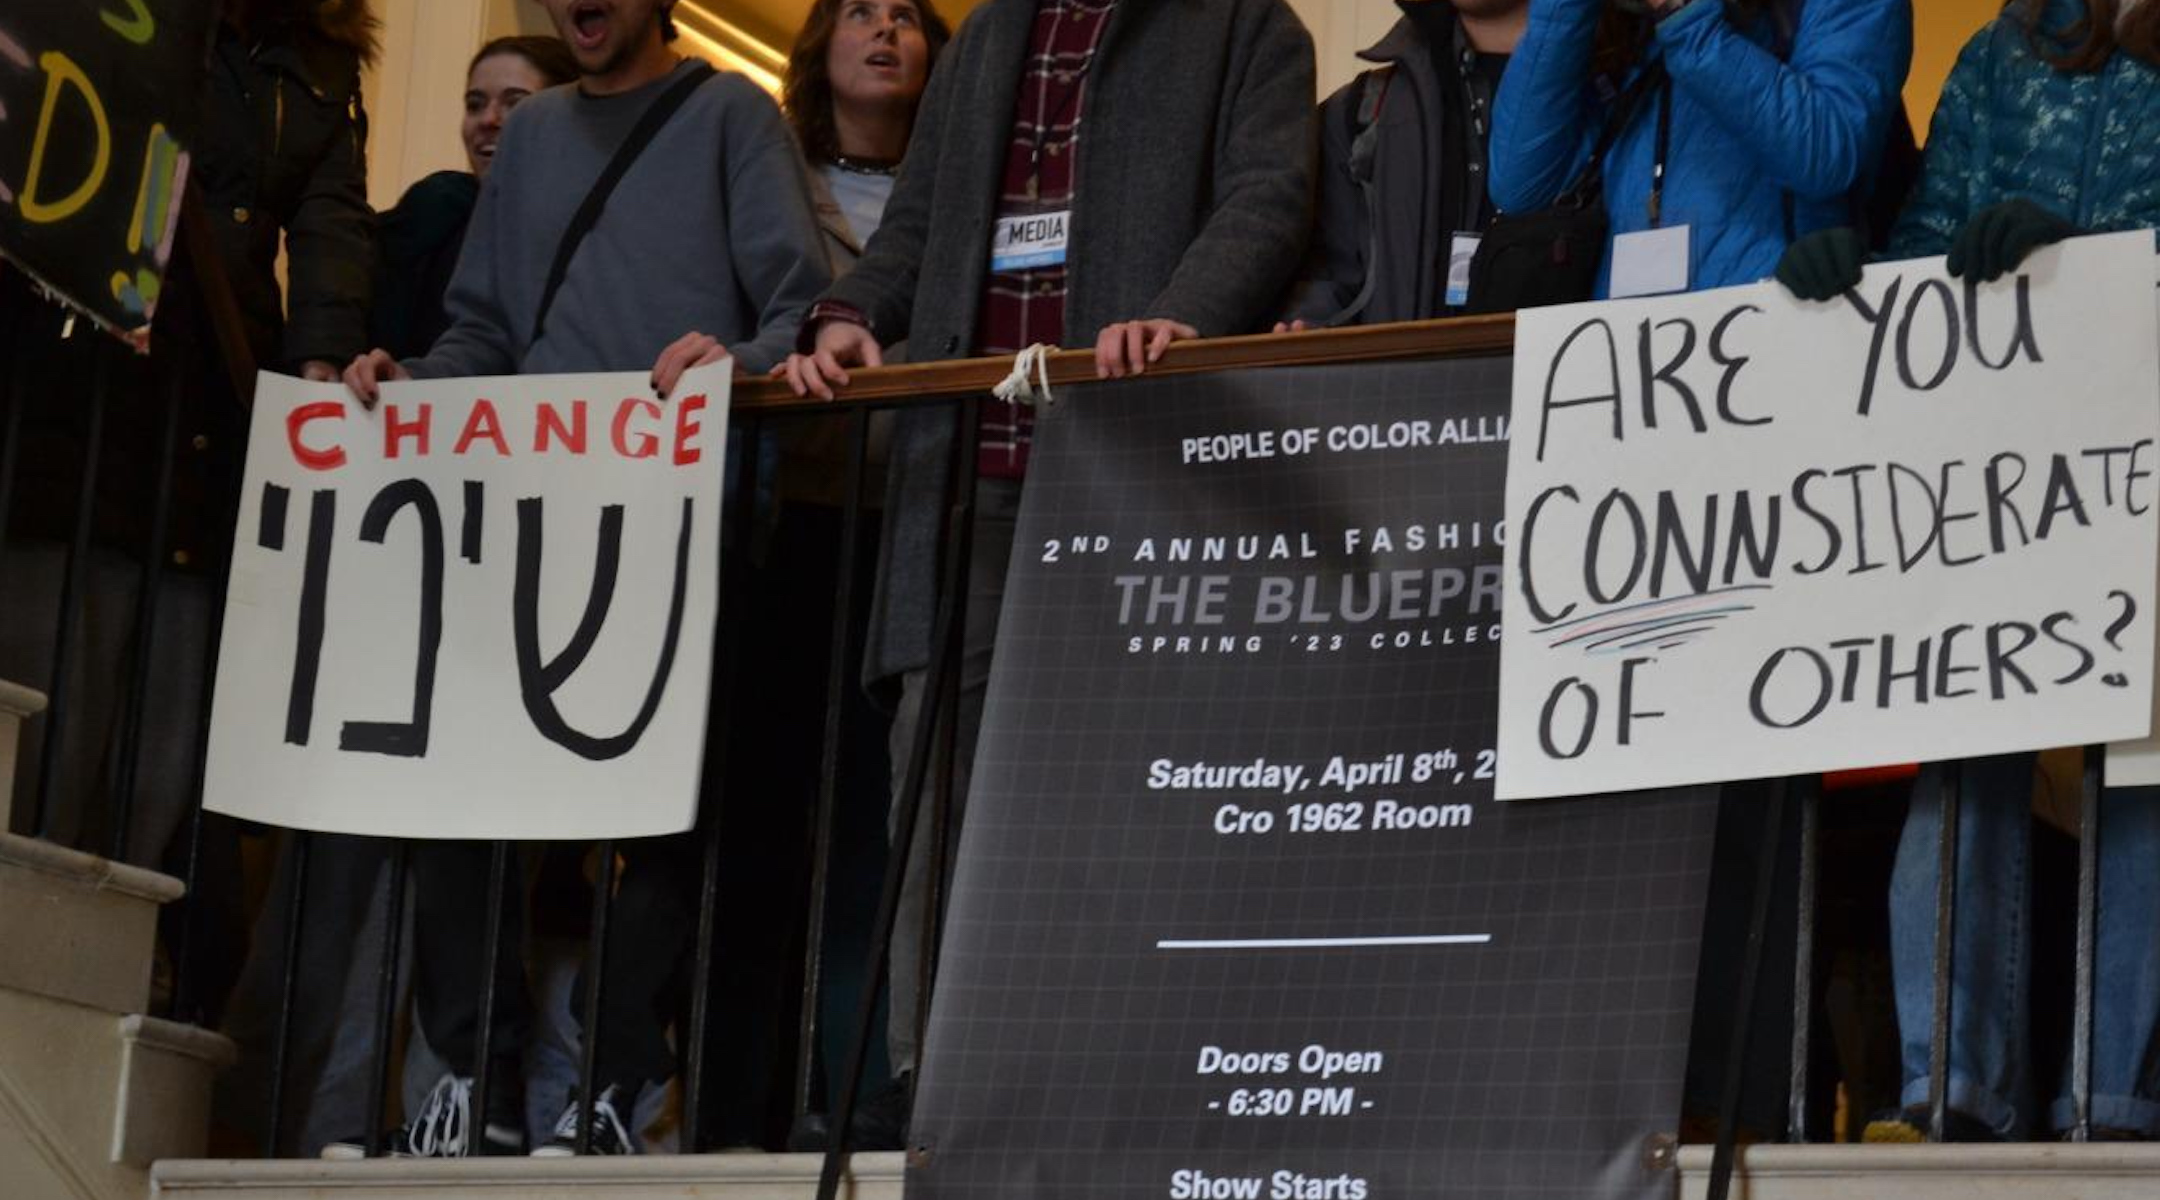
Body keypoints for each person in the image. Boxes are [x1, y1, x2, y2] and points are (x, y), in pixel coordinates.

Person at [779, 0, 1317, 1145]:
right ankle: (937, 1079)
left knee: (1137, 779)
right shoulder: (982, 41)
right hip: (965, 471)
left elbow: (1267, 200)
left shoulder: (1246, 27)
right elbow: (916, 226)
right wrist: (847, 316)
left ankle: (1130, 1072)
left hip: (1135, 470)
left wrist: (1180, 316)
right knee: (938, 772)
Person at [343, 0, 831, 1156]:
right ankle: (478, 1078)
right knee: (467, 792)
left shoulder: (730, 116)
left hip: (678, 510)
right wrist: (408, 380)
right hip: (530, 509)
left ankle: (615, 1077)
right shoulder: (542, 136)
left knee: (662, 804)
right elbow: (484, 332)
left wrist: (741, 358)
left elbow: (796, 307)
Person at [1777, 0, 2160, 1143]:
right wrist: (1850, 282)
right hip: (2007, 458)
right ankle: (1954, 1084)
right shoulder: (2002, 50)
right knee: (1965, 740)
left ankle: (2119, 1100)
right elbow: (1936, 230)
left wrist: (2093, 253)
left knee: (2140, 766)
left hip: (2141, 447)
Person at [693, 0, 950, 1152]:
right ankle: (728, 1103)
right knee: (753, 824)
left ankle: (848, 1092)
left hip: (915, 525)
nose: (885, 32)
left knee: (875, 829)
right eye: (859, 13)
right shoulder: (769, 176)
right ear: (817, 46)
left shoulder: (965, 192)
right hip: (784, 523)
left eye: (908, 15)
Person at [1488, 0, 1911, 299]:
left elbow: (1824, 157)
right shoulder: (1620, 21)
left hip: (1783, 334)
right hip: (1627, 363)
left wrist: (1688, 21)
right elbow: (1520, 186)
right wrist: (1563, 11)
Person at [1283, 0, 1527, 328]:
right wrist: (1307, 329)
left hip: (1572, 369)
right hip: (1396, 378)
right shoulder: (1356, 116)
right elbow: (1325, 285)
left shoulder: (1613, 93)